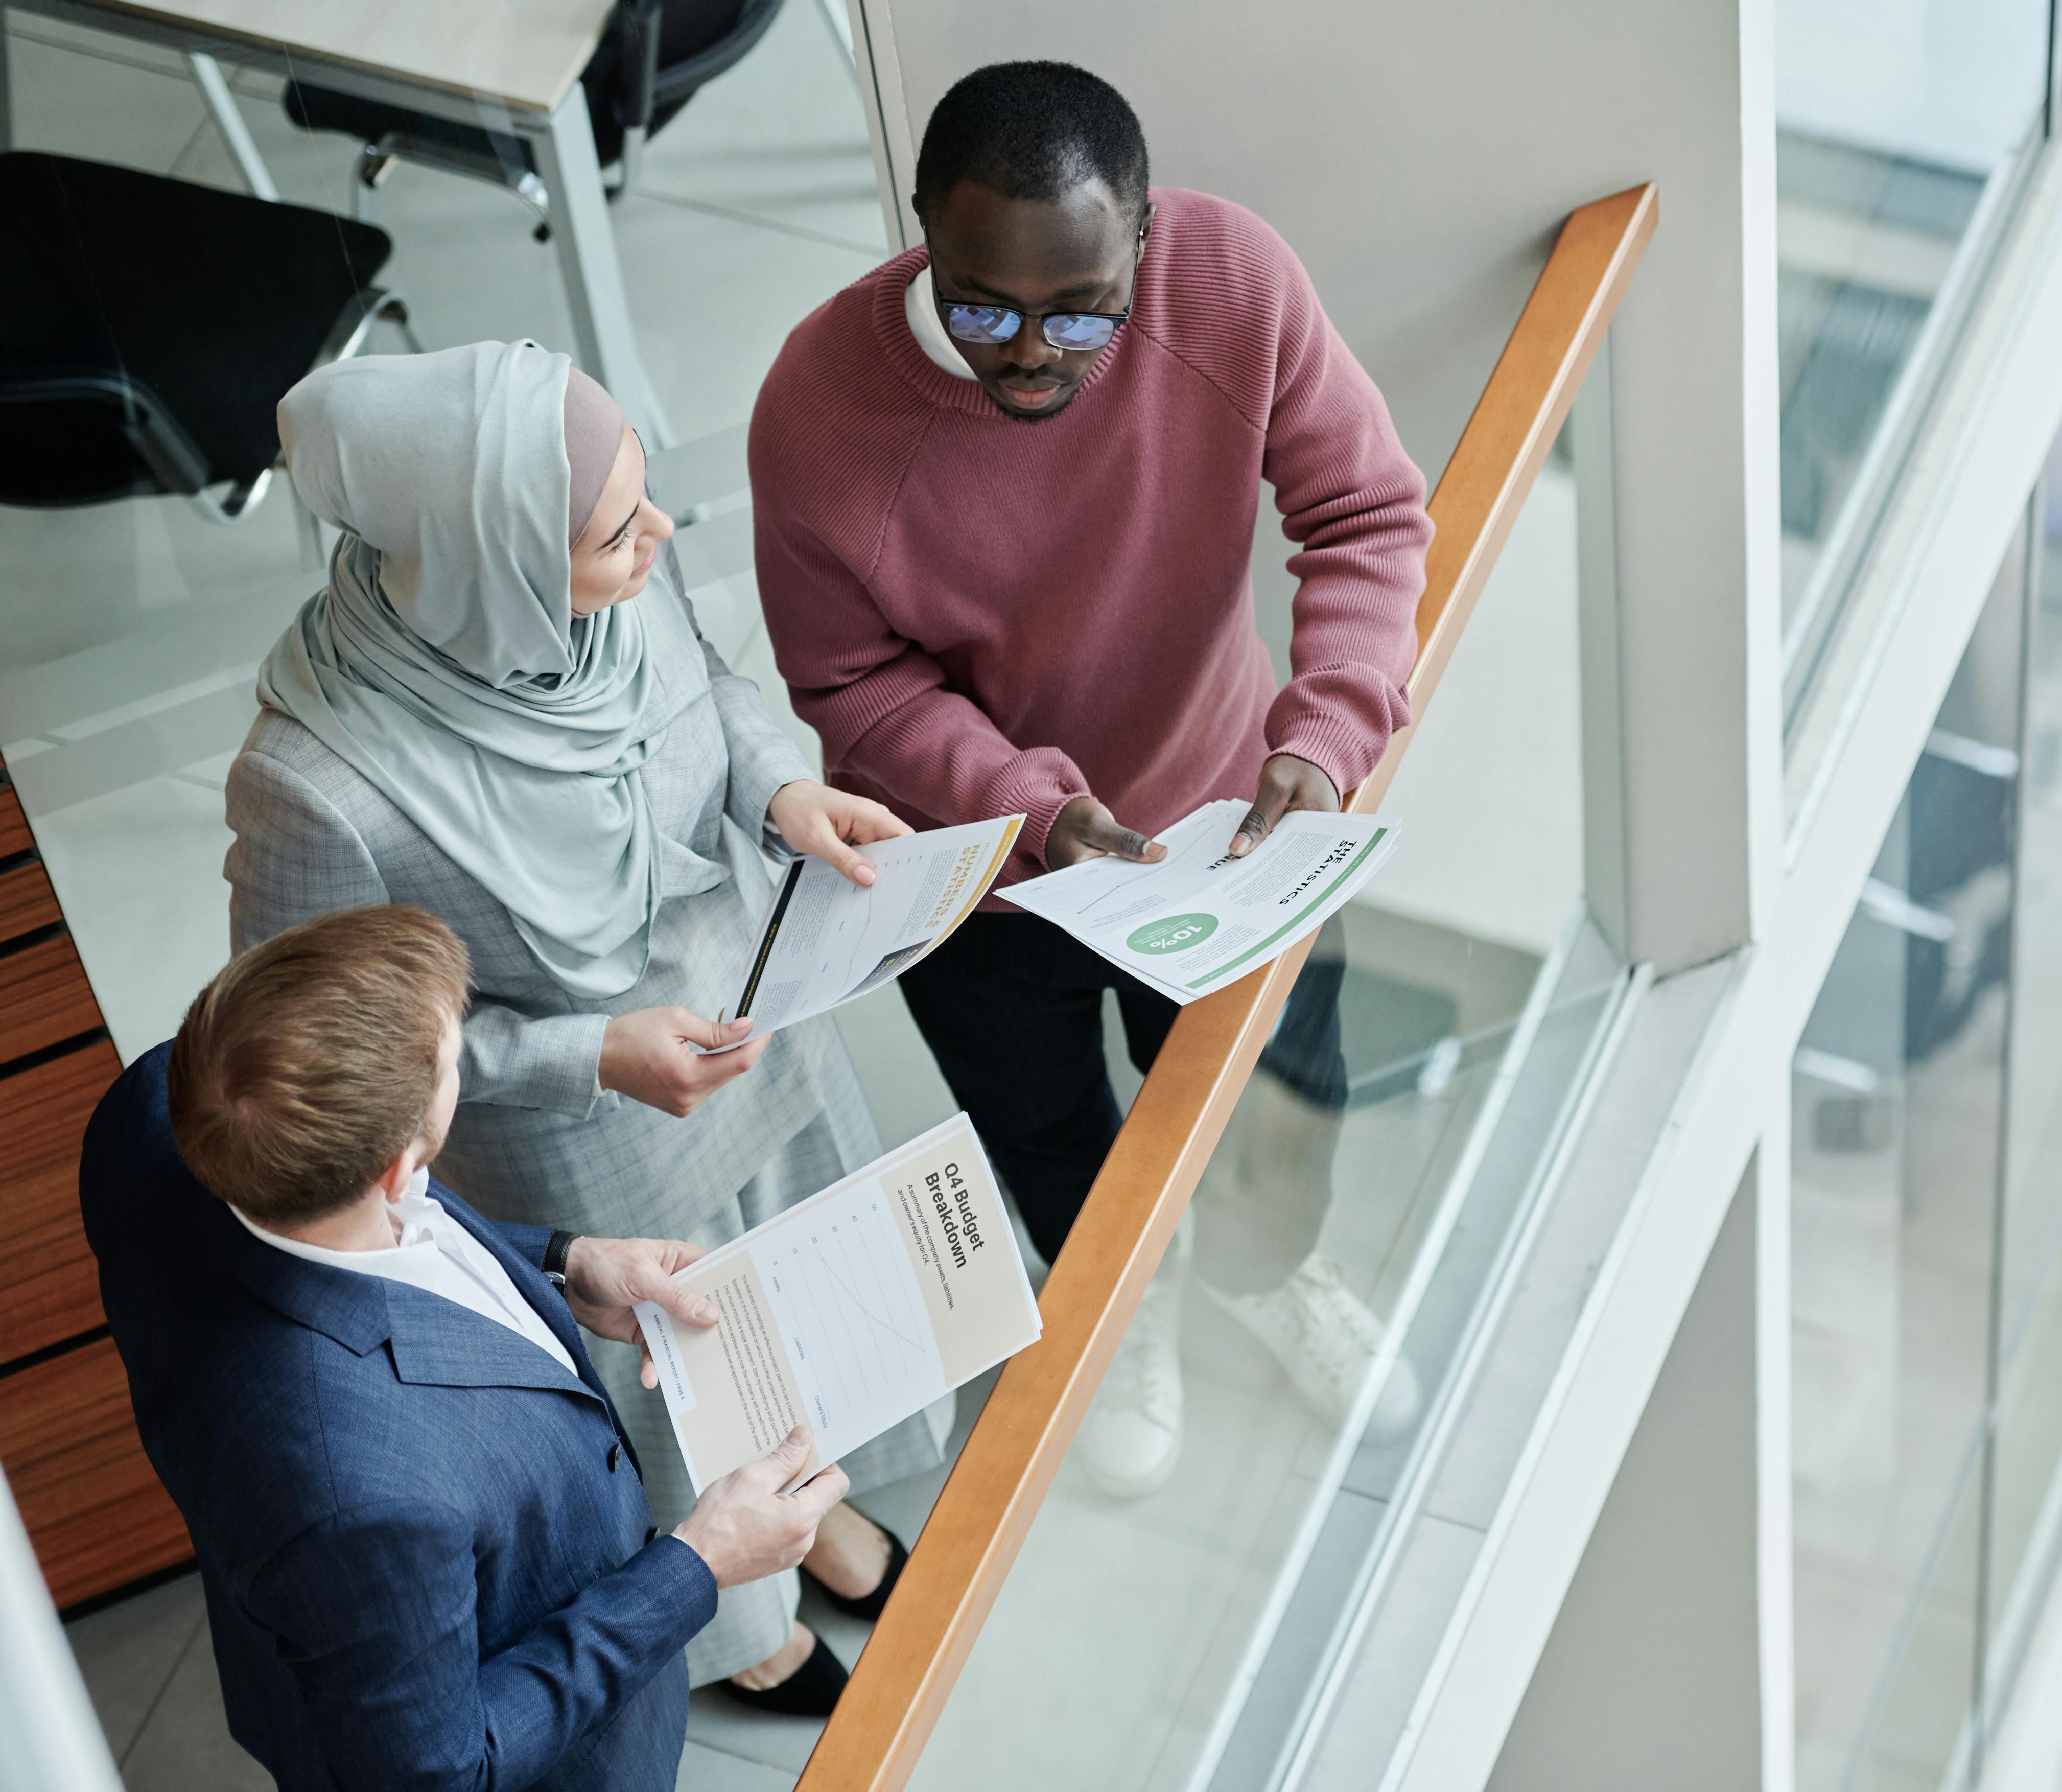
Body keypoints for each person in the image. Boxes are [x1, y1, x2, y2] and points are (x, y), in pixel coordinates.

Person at [752, 61, 1426, 1497]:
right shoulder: (815, 410)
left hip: (1233, 822)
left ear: (1143, 246)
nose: (1032, 354)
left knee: (1282, 1094)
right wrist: (1030, 802)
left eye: (1085, 312)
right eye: (984, 303)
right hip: (988, 886)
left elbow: (1364, 508)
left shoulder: (1231, 282)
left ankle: (1266, 1273)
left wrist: (1322, 741)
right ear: (922, 223)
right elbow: (851, 687)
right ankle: (1130, 1301)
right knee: (1052, 1131)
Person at [221, 341, 912, 1709]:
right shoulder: (321, 786)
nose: (658, 537)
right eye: (613, 533)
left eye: (644, 503)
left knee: (792, 1294)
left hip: (755, 1029)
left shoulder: (612, 591)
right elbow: (310, 1062)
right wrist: (588, 1052)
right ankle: (742, 1628)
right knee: (676, 1387)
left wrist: (780, 792)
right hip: (596, 1148)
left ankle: (810, 1505)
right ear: (487, 558)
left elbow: (708, 683)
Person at [81, 904, 851, 1791]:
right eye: (455, 1065)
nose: (462, 1065)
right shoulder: (356, 1497)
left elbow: (379, 1229)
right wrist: (699, 1564)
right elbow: (441, 1773)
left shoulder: (158, 1103)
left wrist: (565, 1263)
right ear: (398, 1168)